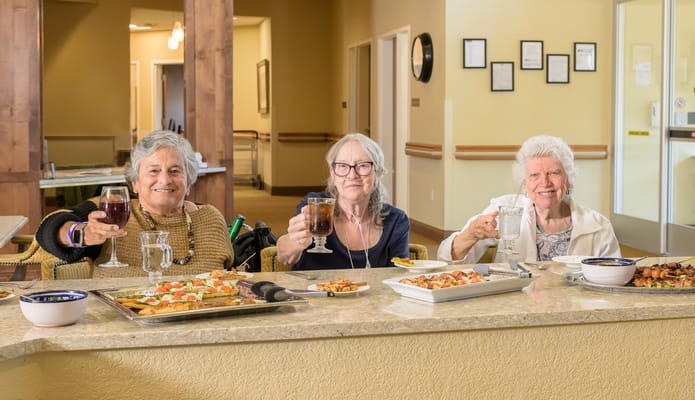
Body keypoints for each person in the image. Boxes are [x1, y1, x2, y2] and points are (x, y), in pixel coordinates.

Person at [36, 130, 234, 278]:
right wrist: (81, 233)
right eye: (154, 171)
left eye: (175, 171)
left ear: (189, 182)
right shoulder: (109, 214)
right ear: (135, 183)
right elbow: (47, 230)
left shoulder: (211, 219)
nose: (165, 180)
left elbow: (232, 277)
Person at [437, 135, 620, 264]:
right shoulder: (505, 209)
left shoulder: (598, 226)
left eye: (554, 173)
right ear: (524, 183)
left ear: (568, 179)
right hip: (515, 308)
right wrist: (470, 235)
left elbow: (613, 276)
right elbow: (446, 259)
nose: (545, 183)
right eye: (534, 175)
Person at [276, 133, 410, 270]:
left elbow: (399, 276)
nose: (352, 175)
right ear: (333, 174)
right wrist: (297, 241)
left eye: (363, 166)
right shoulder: (316, 208)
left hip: (375, 292)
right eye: (342, 166)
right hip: (313, 291)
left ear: (378, 173)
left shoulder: (396, 220)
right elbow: (283, 257)